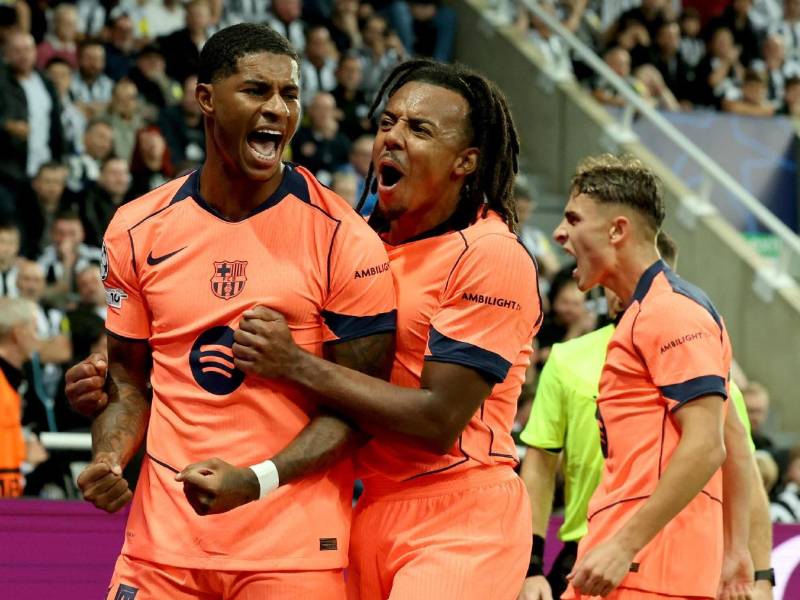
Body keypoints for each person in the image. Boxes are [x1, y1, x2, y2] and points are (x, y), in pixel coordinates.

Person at [67, 58, 542, 600]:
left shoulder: (491, 255)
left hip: (461, 509)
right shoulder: (363, 242)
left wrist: (294, 364)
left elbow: (438, 420)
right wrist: (117, 388)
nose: (392, 137)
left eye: (419, 128)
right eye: (388, 122)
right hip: (371, 506)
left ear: (466, 161)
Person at [68, 23, 397, 599]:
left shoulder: (344, 237)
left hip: (291, 553)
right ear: (206, 98)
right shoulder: (137, 227)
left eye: (290, 94)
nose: (278, 109)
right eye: (256, 90)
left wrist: (255, 481)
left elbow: (362, 407)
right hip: (161, 548)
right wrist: (109, 456)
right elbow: (127, 375)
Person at [517, 234, 774, 600]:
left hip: (678, 557)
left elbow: (742, 470)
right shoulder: (567, 359)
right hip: (588, 550)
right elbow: (540, 465)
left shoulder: (707, 374)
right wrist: (530, 566)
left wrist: (761, 576)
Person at [552, 154, 753, 599]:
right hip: (626, 560)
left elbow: (709, 445)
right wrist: (737, 548)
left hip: (647, 568)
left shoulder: (671, 311)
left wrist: (624, 544)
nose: (559, 234)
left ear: (617, 230)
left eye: (574, 219)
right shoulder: (647, 313)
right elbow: (735, 441)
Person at [0, 296, 41, 497]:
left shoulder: (14, 380)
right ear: (18, 333)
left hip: (10, 502)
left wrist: (25, 464)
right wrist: (27, 462)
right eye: (34, 330)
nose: (38, 338)